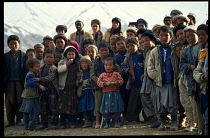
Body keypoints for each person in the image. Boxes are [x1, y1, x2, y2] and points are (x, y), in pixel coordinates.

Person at [147, 26, 179, 131]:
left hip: (171, 81)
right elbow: (150, 67)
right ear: (158, 36)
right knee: (160, 104)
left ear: (170, 37)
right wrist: (157, 76)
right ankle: (162, 123)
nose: (164, 37)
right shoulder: (154, 51)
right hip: (159, 82)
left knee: (172, 103)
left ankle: (174, 123)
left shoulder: (175, 49)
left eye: (166, 35)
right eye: (161, 35)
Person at [90, 41, 121, 128]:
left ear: (109, 51)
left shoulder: (112, 60)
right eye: (101, 50)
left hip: (111, 87)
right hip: (99, 86)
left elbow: (119, 70)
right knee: (98, 103)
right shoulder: (95, 62)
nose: (103, 52)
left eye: (105, 50)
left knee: (113, 103)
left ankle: (114, 120)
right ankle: (97, 121)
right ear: (98, 51)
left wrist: (112, 78)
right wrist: (101, 81)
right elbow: (92, 75)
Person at [179, 25, 203, 133]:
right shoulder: (186, 49)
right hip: (188, 80)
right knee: (188, 103)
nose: (190, 38)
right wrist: (189, 66)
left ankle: (200, 126)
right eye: (187, 36)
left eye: (192, 35)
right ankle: (192, 123)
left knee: (198, 104)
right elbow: (181, 64)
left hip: (200, 80)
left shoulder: (202, 48)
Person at [4, 35, 28, 128]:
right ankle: (10, 120)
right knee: (9, 101)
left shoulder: (24, 56)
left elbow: (26, 69)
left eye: (15, 43)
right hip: (8, 81)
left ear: (19, 44)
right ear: (8, 45)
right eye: (11, 44)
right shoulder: (5, 56)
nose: (13, 45)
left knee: (20, 100)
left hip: (20, 81)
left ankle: (19, 118)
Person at [33, 49, 59, 130]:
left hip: (52, 91)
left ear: (54, 59)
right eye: (47, 57)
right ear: (44, 58)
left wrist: (40, 79)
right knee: (43, 108)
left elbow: (50, 78)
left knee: (53, 108)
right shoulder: (41, 67)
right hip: (43, 91)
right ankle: (44, 123)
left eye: (51, 57)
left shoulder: (54, 68)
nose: (49, 59)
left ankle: (54, 123)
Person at [121, 37, 144, 123]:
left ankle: (148, 118)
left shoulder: (143, 55)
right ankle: (133, 118)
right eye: (128, 46)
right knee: (133, 103)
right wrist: (128, 71)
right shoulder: (128, 57)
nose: (130, 48)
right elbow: (123, 67)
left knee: (144, 101)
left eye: (132, 45)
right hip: (134, 83)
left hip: (144, 83)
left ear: (137, 45)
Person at [57, 46, 81, 129]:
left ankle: (72, 122)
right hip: (64, 88)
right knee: (62, 106)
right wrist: (67, 64)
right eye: (69, 54)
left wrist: (78, 77)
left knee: (72, 106)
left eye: (73, 54)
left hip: (73, 88)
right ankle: (62, 123)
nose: (71, 56)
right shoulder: (62, 62)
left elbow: (79, 75)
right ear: (65, 55)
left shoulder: (77, 64)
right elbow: (59, 70)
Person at [97, 57, 124, 128]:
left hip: (115, 94)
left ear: (114, 66)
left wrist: (115, 83)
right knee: (106, 108)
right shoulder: (102, 75)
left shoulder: (116, 74)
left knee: (116, 108)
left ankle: (116, 122)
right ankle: (107, 123)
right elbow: (99, 82)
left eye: (110, 65)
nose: (108, 67)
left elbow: (121, 81)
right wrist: (104, 84)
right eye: (106, 65)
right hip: (106, 94)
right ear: (104, 66)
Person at [19, 58, 45, 131]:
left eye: (38, 66)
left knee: (28, 111)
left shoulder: (35, 74)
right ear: (30, 68)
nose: (38, 68)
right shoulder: (30, 75)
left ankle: (27, 125)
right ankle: (30, 126)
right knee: (32, 111)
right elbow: (30, 82)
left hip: (31, 96)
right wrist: (39, 86)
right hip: (30, 97)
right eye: (36, 66)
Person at [140, 30, 159, 127]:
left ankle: (159, 118)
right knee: (144, 95)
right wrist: (144, 74)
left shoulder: (157, 50)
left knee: (154, 98)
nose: (144, 43)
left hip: (154, 79)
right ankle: (153, 116)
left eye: (146, 41)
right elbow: (146, 65)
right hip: (147, 78)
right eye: (142, 42)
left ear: (153, 40)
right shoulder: (147, 52)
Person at [193, 38, 208, 135]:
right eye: (207, 47)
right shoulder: (203, 57)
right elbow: (196, 72)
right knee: (206, 117)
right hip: (205, 90)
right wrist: (202, 76)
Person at [113, 36, 129, 124]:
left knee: (129, 99)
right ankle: (122, 116)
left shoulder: (129, 53)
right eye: (118, 44)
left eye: (122, 43)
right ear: (115, 46)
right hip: (121, 81)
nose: (120, 45)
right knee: (122, 99)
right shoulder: (116, 57)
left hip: (130, 79)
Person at [77, 55, 95, 128]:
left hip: (90, 92)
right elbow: (76, 83)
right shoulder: (79, 74)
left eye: (86, 63)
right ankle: (87, 120)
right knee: (84, 107)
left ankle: (93, 120)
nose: (84, 65)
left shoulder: (91, 72)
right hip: (83, 92)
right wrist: (79, 82)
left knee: (92, 106)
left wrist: (91, 81)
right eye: (82, 63)